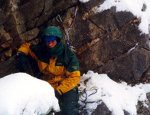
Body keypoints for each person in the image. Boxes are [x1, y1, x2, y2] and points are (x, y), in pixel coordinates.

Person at [16, 26, 80, 115]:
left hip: (66, 86)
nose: (49, 44)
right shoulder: (41, 51)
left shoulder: (68, 55)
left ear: (57, 41)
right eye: (47, 42)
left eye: (52, 42)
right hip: (48, 86)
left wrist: (59, 91)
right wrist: (21, 54)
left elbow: (74, 78)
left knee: (68, 111)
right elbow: (26, 46)